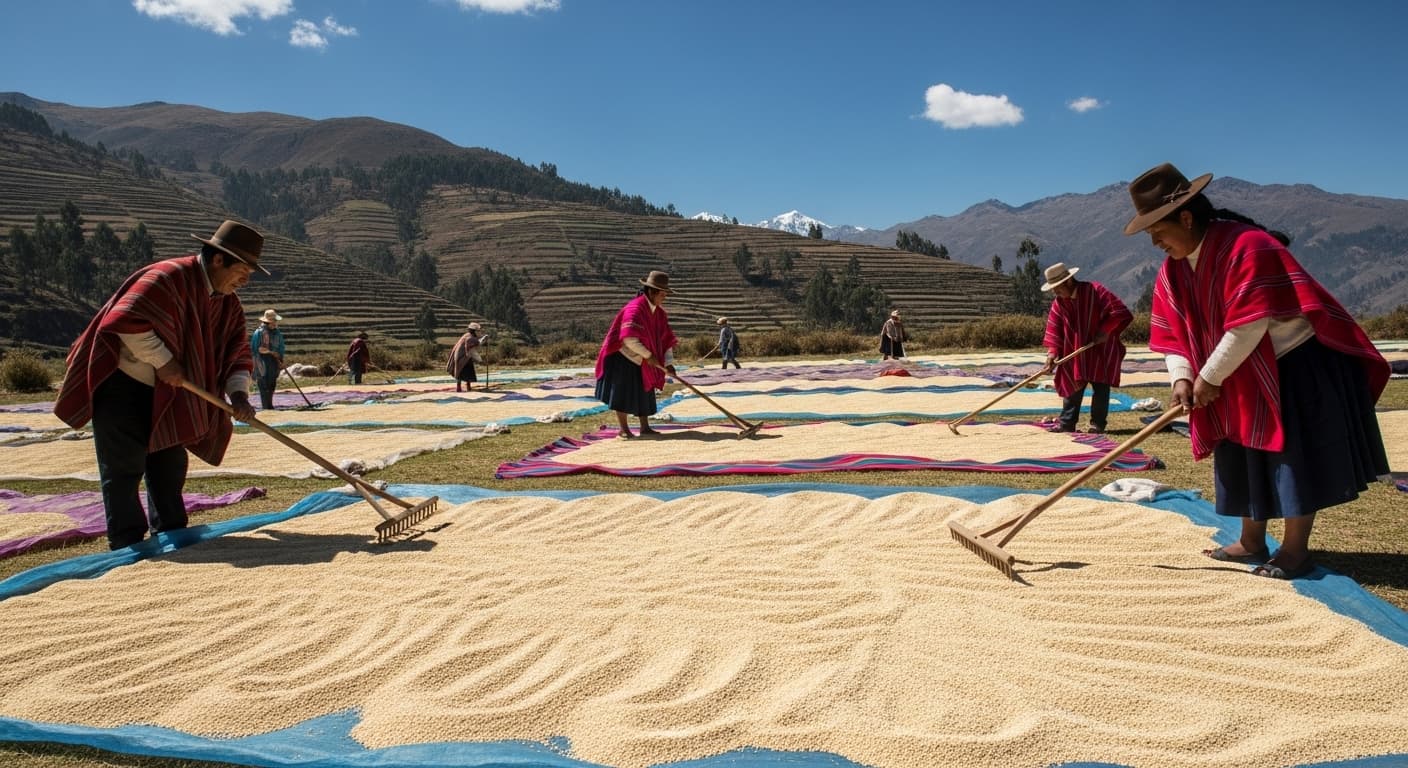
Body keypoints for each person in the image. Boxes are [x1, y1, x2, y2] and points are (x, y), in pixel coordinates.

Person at [1124, 162, 1389, 580]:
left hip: (1292, 364)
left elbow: (1249, 322)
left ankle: (1295, 550)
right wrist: (1182, 378)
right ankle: (1251, 541)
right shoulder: (1173, 269)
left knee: (1290, 456)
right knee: (1243, 452)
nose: (1154, 240)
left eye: (1158, 228)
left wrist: (1209, 377)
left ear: (1186, 217)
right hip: (1232, 370)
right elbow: (1172, 334)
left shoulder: (1248, 245)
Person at [52, 219, 264, 550]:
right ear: (219, 258)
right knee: (124, 467)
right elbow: (124, 321)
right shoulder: (167, 277)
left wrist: (238, 395)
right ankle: (127, 544)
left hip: (172, 394)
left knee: (169, 464)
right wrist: (164, 361)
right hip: (124, 386)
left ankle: (173, 533)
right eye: (243, 270)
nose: (245, 280)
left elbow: (237, 356)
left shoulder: (228, 306)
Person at [1040, 262, 1132, 433]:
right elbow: (1055, 329)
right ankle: (1067, 423)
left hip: (1100, 351)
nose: (1055, 292)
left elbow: (1119, 312)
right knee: (1072, 386)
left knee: (1101, 389)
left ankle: (1097, 425)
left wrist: (1105, 331)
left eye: (1057, 288)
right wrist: (1052, 354)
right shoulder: (1059, 303)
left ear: (1068, 282)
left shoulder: (1096, 291)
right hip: (1074, 353)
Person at [594, 270, 679, 438]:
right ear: (652, 291)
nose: (665, 298)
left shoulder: (659, 313)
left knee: (644, 390)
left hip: (642, 358)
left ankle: (645, 427)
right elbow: (628, 339)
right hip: (623, 356)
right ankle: (624, 429)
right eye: (663, 294)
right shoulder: (635, 308)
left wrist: (668, 363)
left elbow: (665, 341)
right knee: (622, 391)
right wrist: (649, 356)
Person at [250, 308, 285, 410]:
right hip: (261, 361)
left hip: (273, 361)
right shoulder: (259, 333)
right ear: (268, 321)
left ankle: (270, 405)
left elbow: (281, 347)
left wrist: (280, 358)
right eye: (274, 321)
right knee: (263, 384)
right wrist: (270, 352)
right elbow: (258, 348)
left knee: (272, 383)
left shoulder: (277, 333)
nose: (275, 323)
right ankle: (266, 406)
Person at [447, 322, 489, 392]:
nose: (478, 332)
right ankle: (461, 387)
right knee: (461, 371)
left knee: (465, 371)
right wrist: (480, 361)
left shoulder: (467, 335)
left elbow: (476, 344)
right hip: (462, 356)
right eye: (477, 331)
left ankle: (466, 386)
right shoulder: (470, 338)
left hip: (463, 356)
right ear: (474, 331)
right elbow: (476, 345)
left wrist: (484, 339)